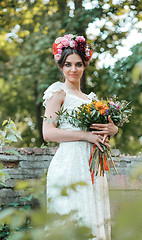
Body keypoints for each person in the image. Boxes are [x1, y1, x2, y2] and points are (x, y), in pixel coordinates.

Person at [42, 34, 118, 240]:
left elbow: (103, 130)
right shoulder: (58, 93)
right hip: (69, 164)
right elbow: (48, 133)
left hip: (91, 164)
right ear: (61, 66)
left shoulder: (91, 100)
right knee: (73, 217)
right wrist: (84, 135)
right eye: (68, 64)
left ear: (84, 66)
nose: (73, 69)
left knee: (93, 218)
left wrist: (113, 130)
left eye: (78, 64)